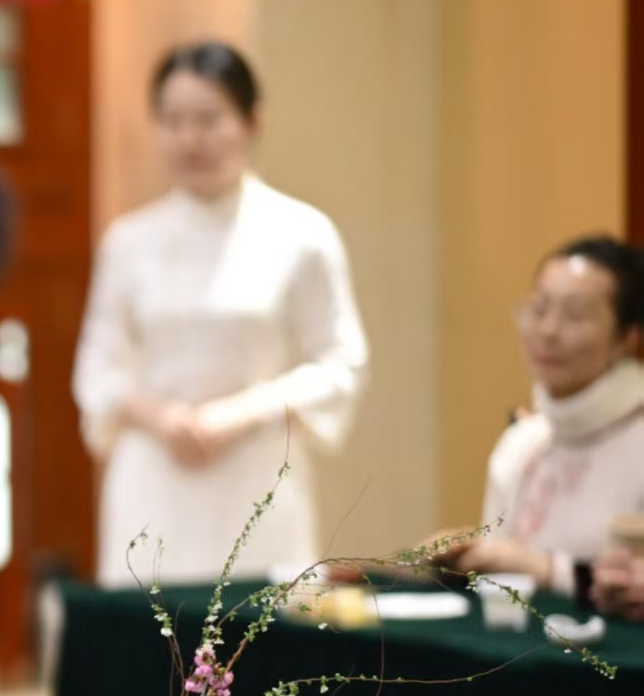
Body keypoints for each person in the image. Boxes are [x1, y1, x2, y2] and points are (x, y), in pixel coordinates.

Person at [73, 41, 368, 585]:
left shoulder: (302, 235)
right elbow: (98, 365)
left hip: (258, 472)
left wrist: (240, 413)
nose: (190, 139)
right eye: (173, 121)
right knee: (149, 626)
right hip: (153, 475)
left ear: (252, 122)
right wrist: (161, 417)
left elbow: (339, 362)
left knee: (259, 626)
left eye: (208, 119)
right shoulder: (128, 241)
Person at [435, 235, 644, 603]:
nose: (548, 330)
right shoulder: (521, 443)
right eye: (538, 308)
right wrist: (463, 556)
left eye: (574, 315)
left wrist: (544, 569)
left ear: (627, 337)